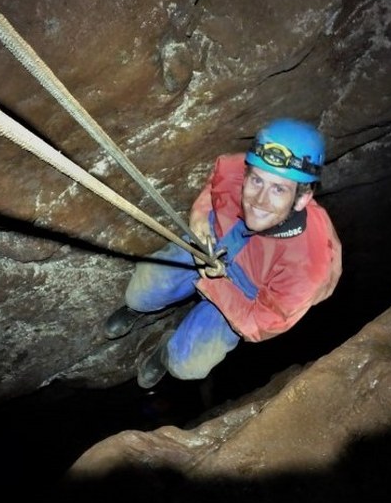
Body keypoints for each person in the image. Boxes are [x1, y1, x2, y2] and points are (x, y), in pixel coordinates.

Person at [104, 117, 343, 389]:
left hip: (246, 292)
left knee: (188, 366)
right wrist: (199, 218)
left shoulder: (307, 266)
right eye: (257, 181)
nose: (259, 200)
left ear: (302, 198)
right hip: (214, 241)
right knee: (141, 290)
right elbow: (213, 189)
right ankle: (137, 310)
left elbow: (259, 323)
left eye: (278, 189)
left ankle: (165, 353)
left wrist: (218, 283)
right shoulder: (236, 169)